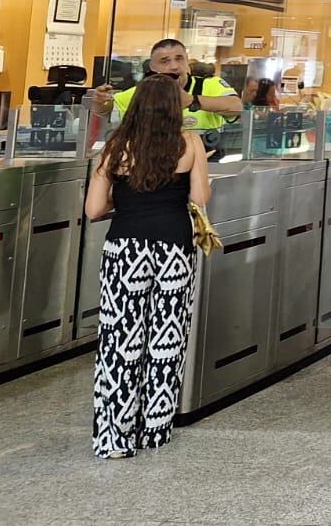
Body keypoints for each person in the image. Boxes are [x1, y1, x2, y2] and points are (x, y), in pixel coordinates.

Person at [84, 76, 211, 458]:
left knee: (120, 341)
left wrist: (122, 206)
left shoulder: (115, 147)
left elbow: (92, 210)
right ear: (175, 108)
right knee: (165, 340)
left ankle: (114, 439)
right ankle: (155, 430)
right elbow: (200, 198)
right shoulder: (189, 143)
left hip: (125, 247)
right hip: (173, 247)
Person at [90, 39, 243, 161]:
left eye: (179, 59)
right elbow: (107, 113)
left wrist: (192, 100)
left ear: (187, 62)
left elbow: (236, 107)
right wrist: (100, 102)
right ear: (152, 67)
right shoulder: (141, 92)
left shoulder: (209, 85)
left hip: (206, 163)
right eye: (165, 61)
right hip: (153, 166)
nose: (174, 66)